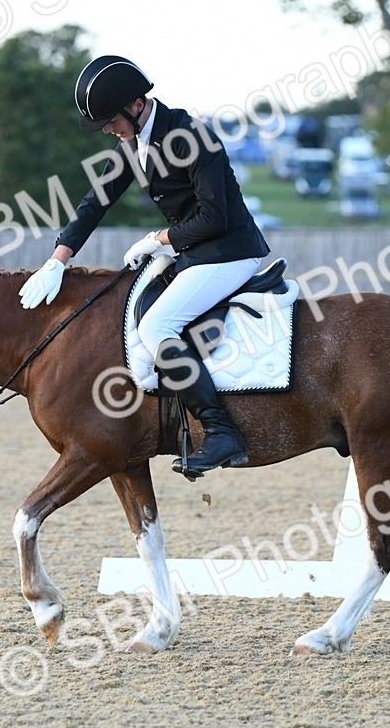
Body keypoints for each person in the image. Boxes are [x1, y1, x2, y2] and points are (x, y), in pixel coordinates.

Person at [18, 55, 271, 479]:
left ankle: (221, 431)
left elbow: (216, 216)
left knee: (156, 328)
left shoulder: (192, 136)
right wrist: (56, 262)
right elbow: (94, 202)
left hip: (231, 251)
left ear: (135, 104)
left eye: (110, 121)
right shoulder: (130, 145)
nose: (108, 131)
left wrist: (160, 240)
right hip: (194, 253)